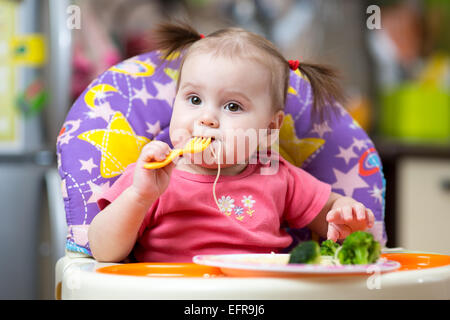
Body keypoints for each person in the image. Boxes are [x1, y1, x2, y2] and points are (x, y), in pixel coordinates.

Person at [88, 22, 375, 263]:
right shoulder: (152, 175)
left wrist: (345, 214)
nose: (208, 118)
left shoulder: (276, 173)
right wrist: (139, 198)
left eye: (233, 107)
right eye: (195, 99)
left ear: (269, 127)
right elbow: (103, 252)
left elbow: (329, 212)